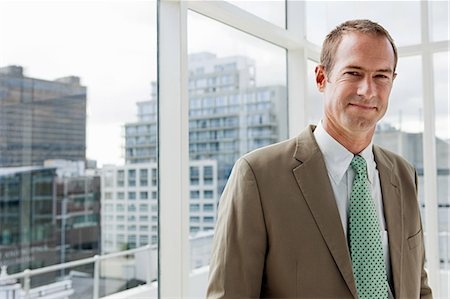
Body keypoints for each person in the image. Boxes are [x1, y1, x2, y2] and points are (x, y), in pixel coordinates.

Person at [206, 19, 432, 298]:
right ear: (322, 78)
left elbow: (418, 286)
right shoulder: (258, 176)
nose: (368, 90)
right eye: (353, 73)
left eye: (381, 76)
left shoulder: (403, 173)